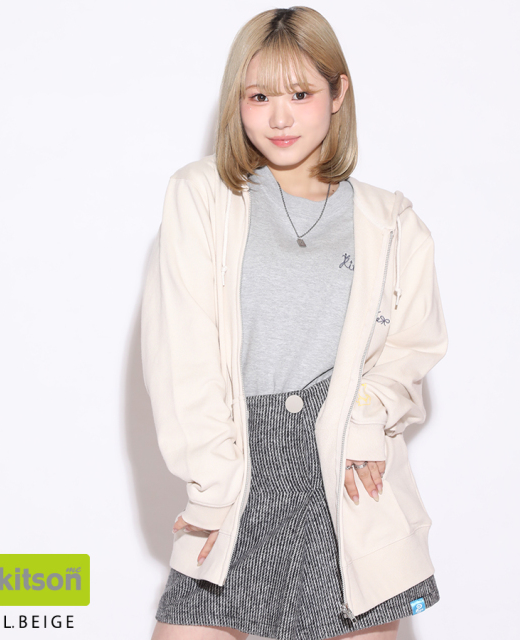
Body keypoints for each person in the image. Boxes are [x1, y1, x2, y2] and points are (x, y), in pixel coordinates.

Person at [141, 6, 448, 640]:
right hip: (238, 469)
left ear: (338, 93)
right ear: (238, 101)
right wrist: (212, 487)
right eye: (259, 97)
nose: (279, 118)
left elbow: (414, 346)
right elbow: (182, 354)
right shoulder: (202, 195)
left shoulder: (392, 222)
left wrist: (366, 419)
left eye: (301, 94)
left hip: (347, 480)